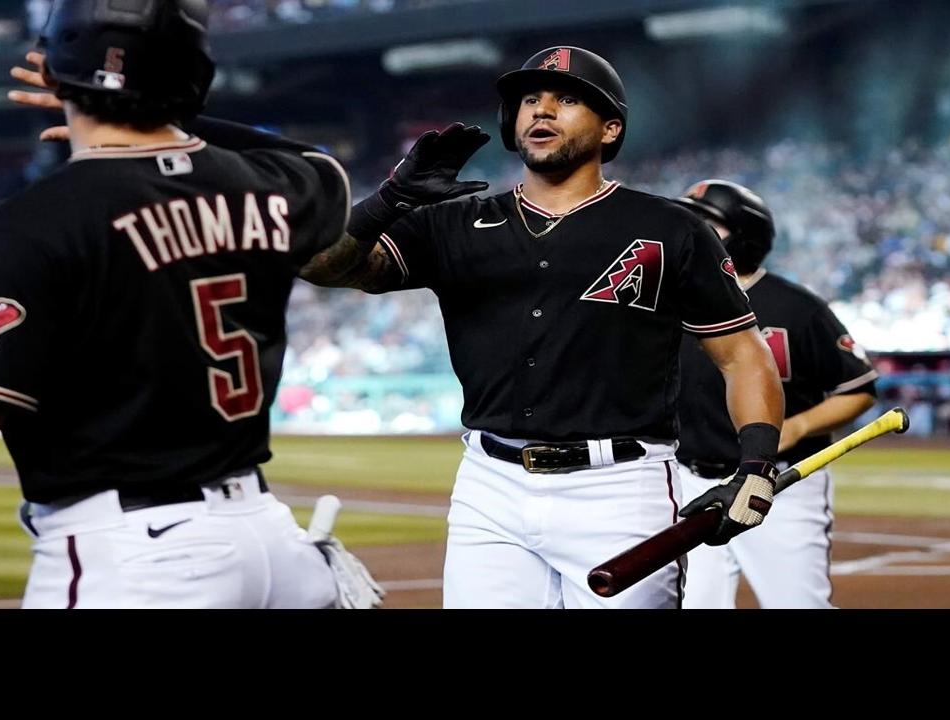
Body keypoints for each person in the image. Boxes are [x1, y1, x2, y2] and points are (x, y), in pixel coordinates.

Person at [0, 0, 383, 609]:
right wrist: (164, 109)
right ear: (195, 77)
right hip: (273, 543)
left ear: (53, 75)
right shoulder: (276, 187)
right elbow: (317, 165)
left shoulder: (30, 225)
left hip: (136, 558)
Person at [306, 46, 786, 608]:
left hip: (618, 489)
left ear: (610, 130)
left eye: (567, 99)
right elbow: (323, 267)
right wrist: (387, 201)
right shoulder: (452, 221)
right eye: (530, 99)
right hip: (490, 485)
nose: (541, 110)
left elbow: (742, 356)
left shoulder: (671, 229)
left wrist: (755, 465)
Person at [673, 179, 878, 609]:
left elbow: (858, 388)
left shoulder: (798, 308)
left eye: (707, 223)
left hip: (780, 483)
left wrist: (800, 424)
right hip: (690, 480)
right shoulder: (671, 302)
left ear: (744, 236)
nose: (692, 231)